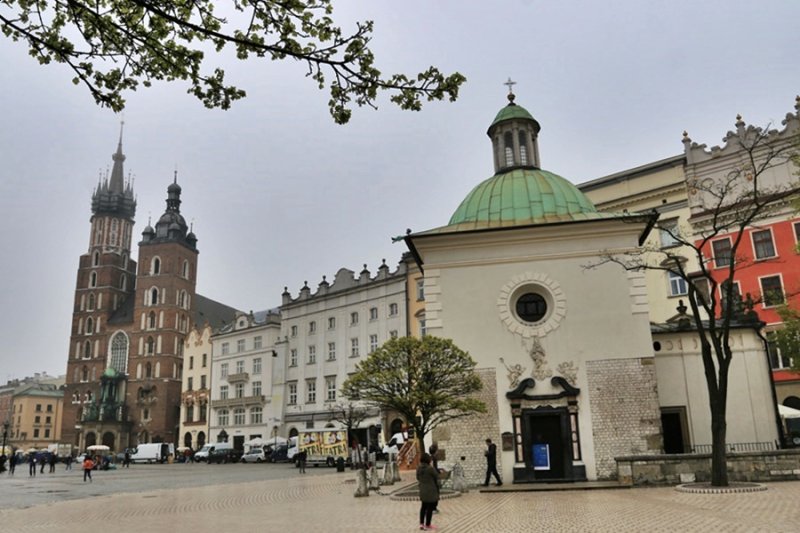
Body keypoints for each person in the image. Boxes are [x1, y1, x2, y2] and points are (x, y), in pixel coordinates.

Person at [416, 452, 439, 530]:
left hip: (422, 489)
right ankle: (428, 524)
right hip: (431, 490)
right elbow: (436, 476)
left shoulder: (418, 468)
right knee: (430, 508)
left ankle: (421, 524)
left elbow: (417, 477)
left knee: (423, 507)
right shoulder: (430, 468)